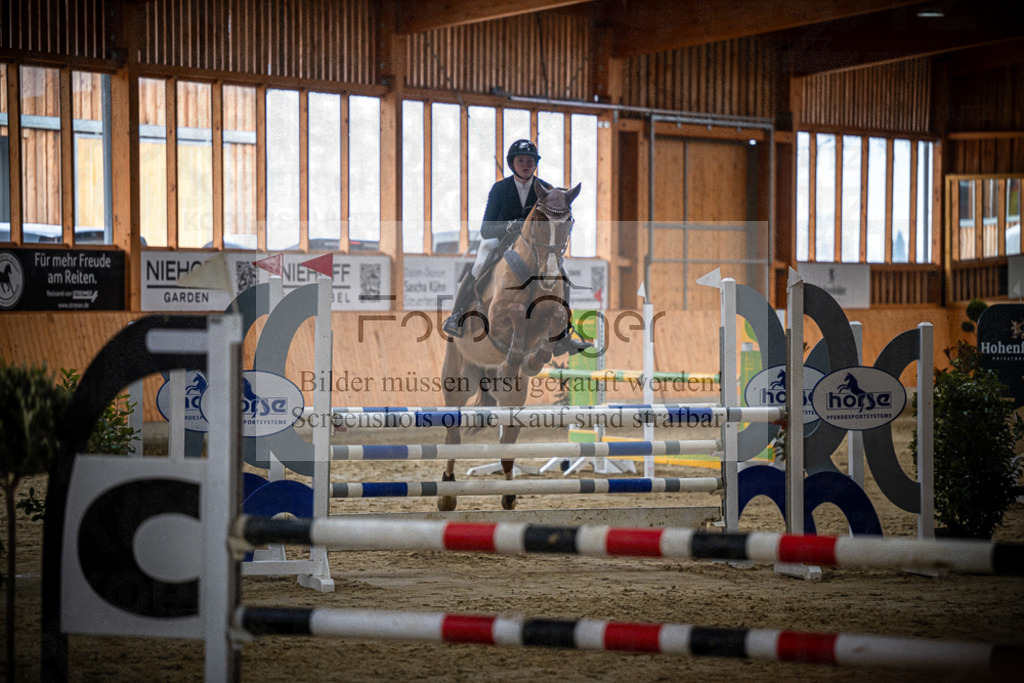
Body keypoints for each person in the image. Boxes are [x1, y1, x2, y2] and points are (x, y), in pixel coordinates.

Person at [441, 139, 592, 356]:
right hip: (501, 239)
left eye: (530, 161)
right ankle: (457, 316)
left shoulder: (546, 189)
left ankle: (563, 335)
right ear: (513, 163)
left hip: (535, 244)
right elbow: (486, 229)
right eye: (521, 160)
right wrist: (512, 225)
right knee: (479, 263)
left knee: (562, 272)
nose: (526, 165)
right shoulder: (500, 189)